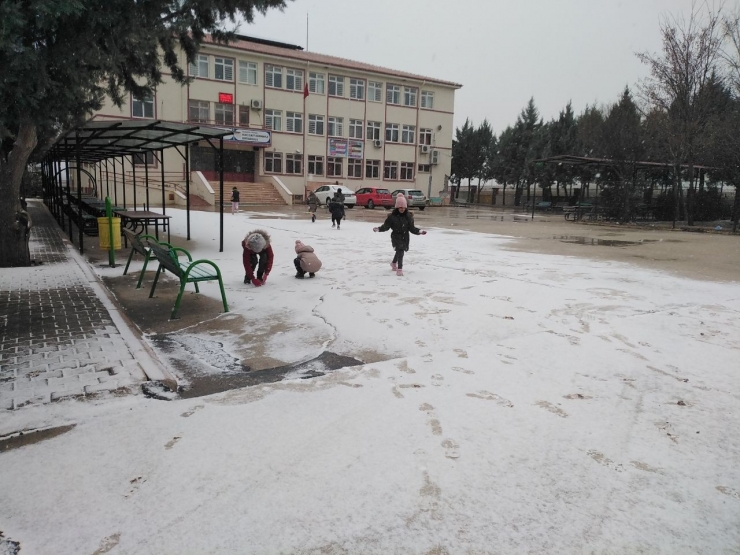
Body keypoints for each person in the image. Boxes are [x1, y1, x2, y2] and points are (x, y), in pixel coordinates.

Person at [373, 193, 427, 276]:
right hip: (396, 236)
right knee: (400, 251)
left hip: (405, 236)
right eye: (400, 207)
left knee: (399, 250)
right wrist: (379, 229)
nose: (402, 209)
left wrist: (419, 231)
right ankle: (400, 269)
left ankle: (394, 263)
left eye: (403, 207)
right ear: (397, 207)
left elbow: (412, 228)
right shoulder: (392, 217)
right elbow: (386, 227)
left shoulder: (408, 216)